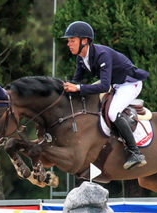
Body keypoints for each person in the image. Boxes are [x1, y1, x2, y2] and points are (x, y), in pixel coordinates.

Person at [62, 21, 149, 170]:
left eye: (72, 40)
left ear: (84, 41)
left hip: (130, 83)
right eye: (68, 41)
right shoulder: (81, 58)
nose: (69, 44)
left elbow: (102, 85)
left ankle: (135, 153)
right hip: (116, 84)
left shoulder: (102, 55)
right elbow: (77, 81)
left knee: (113, 112)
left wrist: (76, 87)